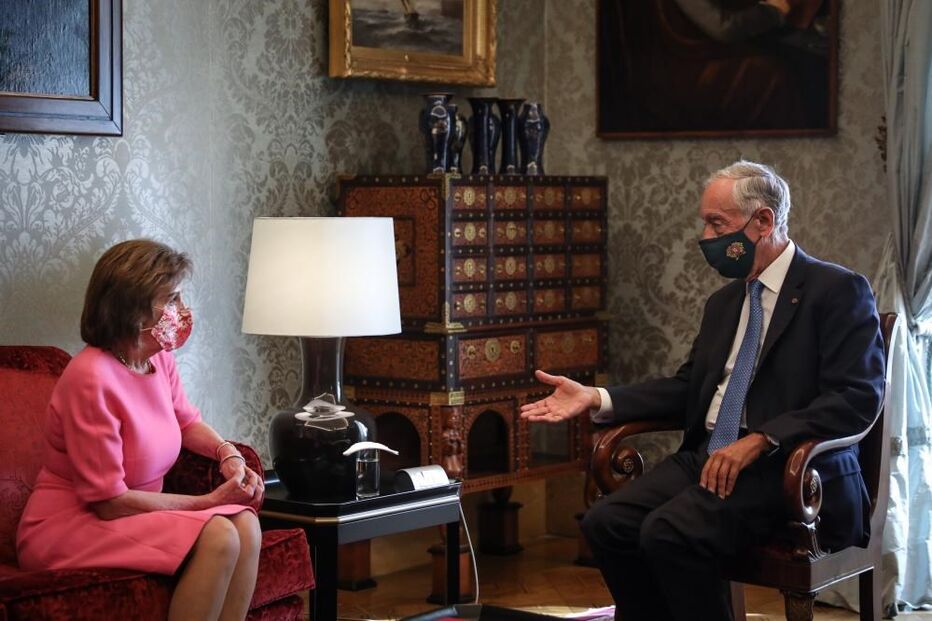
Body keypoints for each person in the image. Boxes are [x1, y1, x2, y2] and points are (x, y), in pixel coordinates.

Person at [520, 161, 885, 621]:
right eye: (705, 223)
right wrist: (597, 397)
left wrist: (763, 438)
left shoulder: (837, 290)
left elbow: (856, 397)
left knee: (669, 531)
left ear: (764, 221)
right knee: (606, 522)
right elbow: (687, 389)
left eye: (717, 224)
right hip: (710, 457)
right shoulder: (725, 302)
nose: (705, 237)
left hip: (791, 472)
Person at [16, 240, 265, 621]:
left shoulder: (158, 359)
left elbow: (186, 421)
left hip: (129, 513)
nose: (183, 311)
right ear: (133, 310)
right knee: (220, 535)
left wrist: (227, 454)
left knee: (246, 523)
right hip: (70, 524)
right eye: (173, 300)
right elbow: (109, 502)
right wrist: (208, 502)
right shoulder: (90, 378)